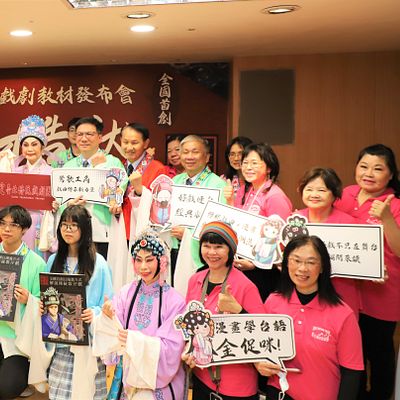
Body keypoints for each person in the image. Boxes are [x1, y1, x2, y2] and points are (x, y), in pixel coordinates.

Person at [256, 235, 364, 400]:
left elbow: (352, 373)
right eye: (296, 260)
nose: (302, 268)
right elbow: (260, 348)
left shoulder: (343, 314)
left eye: (311, 262)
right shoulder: (273, 302)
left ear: (322, 267)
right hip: (278, 393)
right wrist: (259, 363)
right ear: (286, 263)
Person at [335, 144, 400, 400]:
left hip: (382, 294)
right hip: (346, 291)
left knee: (380, 354)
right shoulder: (346, 194)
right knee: (352, 354)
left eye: (378, 169)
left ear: (391, 174)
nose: (368, 173)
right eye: (363, 166)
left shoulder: (395, 204)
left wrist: (387, 219)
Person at [99, 230, 186, 399]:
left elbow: (172, 349)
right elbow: (114, 332)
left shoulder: (175, 301)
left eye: (149, 260)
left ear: (162, 261)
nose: (143, 267)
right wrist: (108, 317)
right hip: (128, 375)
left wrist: (133, 340)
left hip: (158, 383)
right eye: (138, 260)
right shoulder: (126, 293)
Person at [184, 221, 264, 400]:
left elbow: (263, 335)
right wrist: (187, 349)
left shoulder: (245, 286)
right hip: (202, 378)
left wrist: (239, 311)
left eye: (219, 247)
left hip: (237, 386)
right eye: (207, 246)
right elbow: (188, 326)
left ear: (230, 250)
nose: (212, 252)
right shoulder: (195, 280)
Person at [45, 204, 113, 400]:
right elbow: (47, 295)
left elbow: (109, 302)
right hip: (60, 342)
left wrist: (95, 312)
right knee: (59, 393)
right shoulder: (53, 261)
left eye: (74, 225)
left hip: (86, 343)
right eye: (64, 225)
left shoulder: (99, 263)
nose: (68, 230)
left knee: (87, 392)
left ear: (85, 228)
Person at [226, 142, 292, 301]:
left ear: (269, 167)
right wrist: (229, 201)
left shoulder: (275, 196)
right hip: (242, 263)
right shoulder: (245, 191)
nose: (248, 167)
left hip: (265, 270)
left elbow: (279, 239)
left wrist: (255, 263)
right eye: (245, 163)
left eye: (254, 163)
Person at [296, 167, 361, 317]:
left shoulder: (350, 224)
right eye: (309, 189)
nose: (314, 194)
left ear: (334, 194)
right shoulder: (295, 220)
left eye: (321, 190)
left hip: (339, 292)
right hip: (303, 291)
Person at [63, 116, 127, 259]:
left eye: (89, 134)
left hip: (103, 230)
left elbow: (119, 192)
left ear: (100, 137)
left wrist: (114, 203)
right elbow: (60, 201)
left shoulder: (113, 163)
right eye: (80, 134)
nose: (84, 138)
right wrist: (69, 204)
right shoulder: (68, 167)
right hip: (74, 231)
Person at [0, 205, 46, 399]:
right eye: (3, 223)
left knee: (6, 389)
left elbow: (45, 305)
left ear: (25, 229)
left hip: (18, 338)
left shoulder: (36, 263)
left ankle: (21, 378)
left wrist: (29, 300)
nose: (6, 229)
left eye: (13, 225)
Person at [171, 135, 227, 279]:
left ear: (207, 157)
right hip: (173, 248)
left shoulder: (218, 185)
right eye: (185, 152)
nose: (189, 156)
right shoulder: (175, 181)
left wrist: (187, 234)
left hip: (201, 254)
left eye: (195, 152)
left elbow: (218, 224)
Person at [11, 115, 57, 259]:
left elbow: (60, 204)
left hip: (40, 225)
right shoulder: (14, 172)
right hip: (17, 224)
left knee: (38, 262)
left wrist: (56, 206)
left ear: (42, 147)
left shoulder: (52, 172)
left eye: (34, 144)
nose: (29, 149)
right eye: (25, 145)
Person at [120, 122, 167, 241]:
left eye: (134, 143)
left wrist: (140, 191)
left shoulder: (158, 169)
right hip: (119, 231)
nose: (129, 147)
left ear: (146, 143)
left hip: (143, 234)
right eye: (125, 142)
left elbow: (161, 207)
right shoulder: (118, 168)